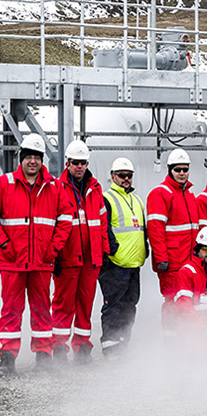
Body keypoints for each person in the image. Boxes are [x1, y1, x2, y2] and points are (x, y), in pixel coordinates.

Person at [0, 134, 73, 373]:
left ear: (42, 160)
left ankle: (43, 355)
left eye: (37, 157)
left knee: (42, 310)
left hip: (42, 261)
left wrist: (53, 248)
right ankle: (7, 356)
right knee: (11, 310)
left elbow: (66, 218)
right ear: (20, 158)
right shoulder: (5, 183)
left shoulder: (54, 186)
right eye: (28, 156)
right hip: (12, 261)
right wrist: (4, 245)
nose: (33, 161)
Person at [52, 140, 109, 365]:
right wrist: (55, 254)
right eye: (75, 162)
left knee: (85, 305)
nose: (79, 166)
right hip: (68, 257)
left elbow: (102, 223)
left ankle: (83, 347)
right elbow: (52, 224)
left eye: (83, 162)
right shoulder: (57, 188)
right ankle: (58, 348)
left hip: (90, 259)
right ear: (67, 163)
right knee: (63, 304)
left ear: (87, 164)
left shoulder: (95, 189)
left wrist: (103, 252)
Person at [146, 148, 200, 335]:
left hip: (189, 260)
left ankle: (186, 337)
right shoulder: (160, 193)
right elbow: (155, 229)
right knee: (171, 301)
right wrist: (161, 258)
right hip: (171, 262)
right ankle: (171, 339)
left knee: (188, 299)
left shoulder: (189, 195)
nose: (182, 173)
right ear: (169, 170)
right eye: (178, 170)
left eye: (185, 169)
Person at [99, 157, 147, 358]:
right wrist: (111, 251)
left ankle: (122, 342)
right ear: (112, 176)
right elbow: (103, 228)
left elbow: (142, 229)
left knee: (129, 305)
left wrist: (145, 249)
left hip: (133, 263)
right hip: (115, 264)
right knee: (114, 305)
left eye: (129, 175)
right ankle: (110, 347)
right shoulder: (106, 198)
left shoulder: (137, 200)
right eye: (121, 175)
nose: (126, 179)